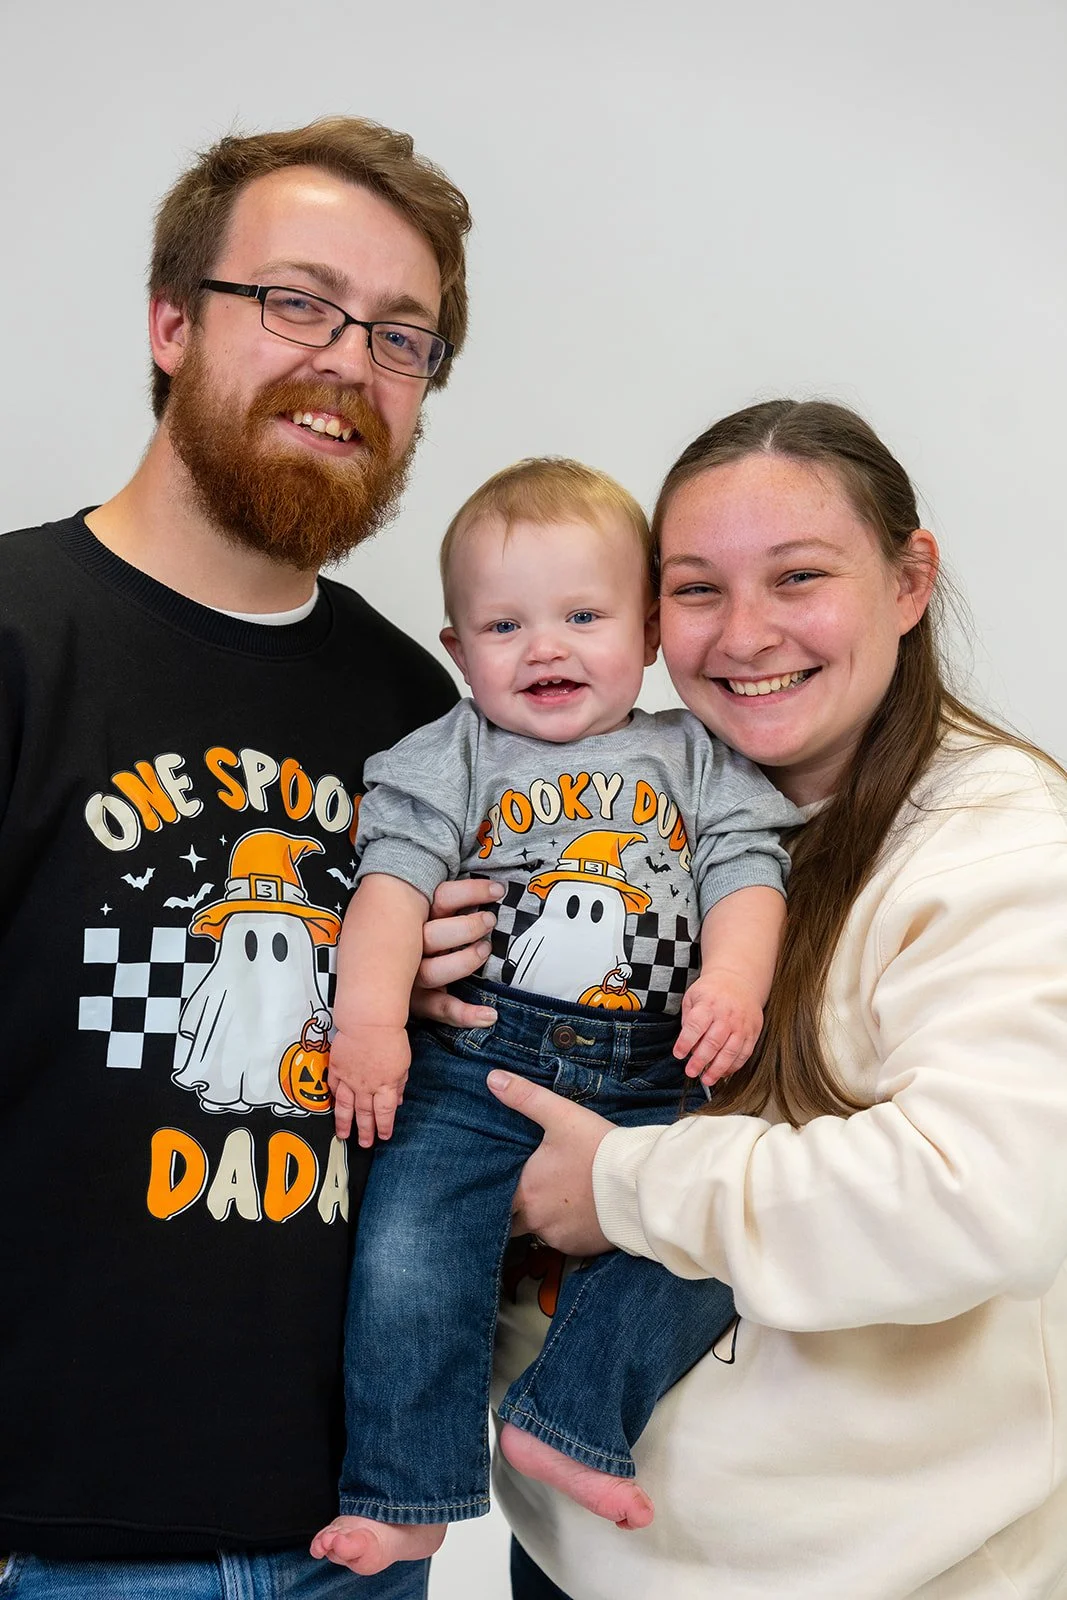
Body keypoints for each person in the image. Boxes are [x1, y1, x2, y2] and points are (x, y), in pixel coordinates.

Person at [424, 400, 1067, 1599]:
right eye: (696, 589)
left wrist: (616, 1185)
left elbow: (980, 1199)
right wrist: (440, 977)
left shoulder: (991, 841)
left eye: (798, 576)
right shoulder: (602, 782)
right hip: (570, 1553)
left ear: (907, 579)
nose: (745, 633)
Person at [0, 116, 472, 1600]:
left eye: (401, 336)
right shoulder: (16, 635)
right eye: (296, 301)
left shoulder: (422, 717)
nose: (347, 361)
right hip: (48, 1556)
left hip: (351, 1545)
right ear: (167, 322)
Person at [310, 458, 799, 1577]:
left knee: (715, 1235)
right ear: (456, 650)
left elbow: (744, 872)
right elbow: (388, 889)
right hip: (479, 1056)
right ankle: (405, 1486)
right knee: (407, 1251)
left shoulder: (694, 754)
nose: (544, 647)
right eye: (503, 623)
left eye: (581, 616)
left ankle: (569, 1417)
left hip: (650, 1071)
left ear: (643, 638)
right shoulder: (456, 752)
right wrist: (371, 1023)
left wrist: (732, 981)